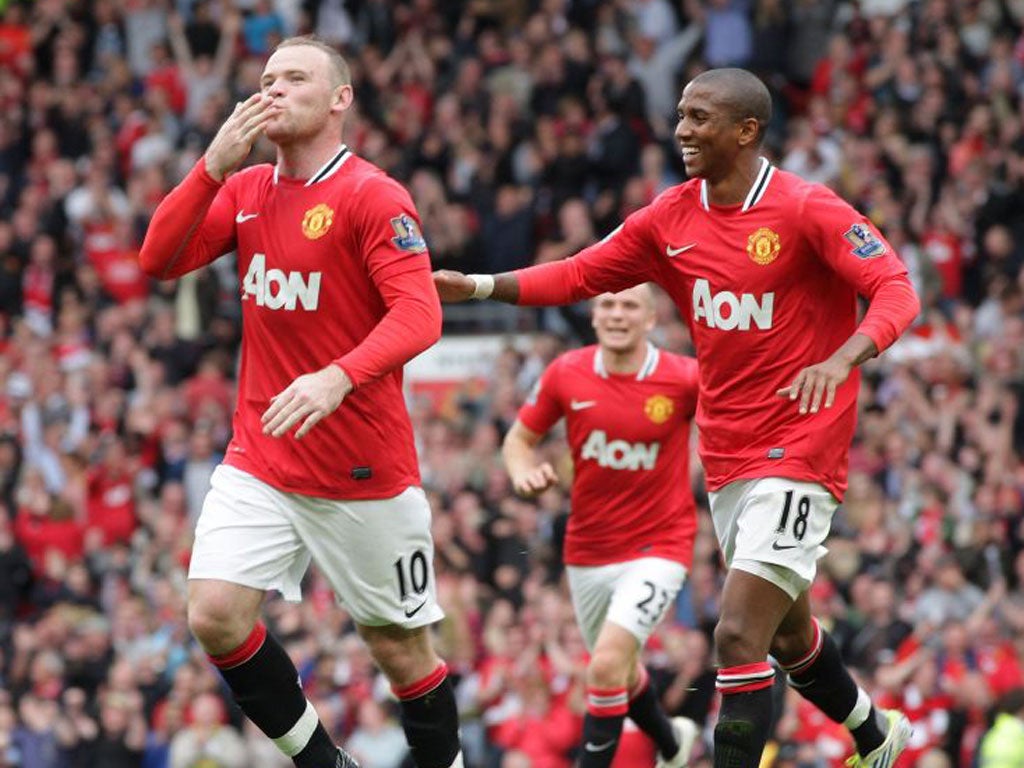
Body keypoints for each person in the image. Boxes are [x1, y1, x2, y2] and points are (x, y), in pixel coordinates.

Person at [434, 67, 921, 768]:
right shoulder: (671, 216)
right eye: (682, 115)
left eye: (699, 118)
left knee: (736, 638)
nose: (682, 130)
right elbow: (581, 272)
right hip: (726, 453)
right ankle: (876, 734)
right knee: (786, 636)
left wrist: (844, 359)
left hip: (801, 448)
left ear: (746, 131)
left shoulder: (808, 209)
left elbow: (896, 290)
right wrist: (478, 285)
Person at [139, 36, 463, 768]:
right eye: (265, 79)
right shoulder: (247, 188)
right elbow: (157, 260)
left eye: (295, 77)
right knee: (214, 615)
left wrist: (338, 376)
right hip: (262, 454)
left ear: (339, 98)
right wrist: (211, 167)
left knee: (401, 651)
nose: (274, 89)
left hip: (362, 471)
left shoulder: (372, 196)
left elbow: (419, 315)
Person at [501, 283, 700, 768]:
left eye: (629, 305)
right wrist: (522, 473)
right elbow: (518, 441)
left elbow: (739, 417)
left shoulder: (683, 378)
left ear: (650, 320)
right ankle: (672, 743)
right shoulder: (566, 373)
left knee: (606, 663)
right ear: (593, 317)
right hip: (588, 551)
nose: (616, 313)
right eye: (607, 304)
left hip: (661, 545)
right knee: (620, 673)